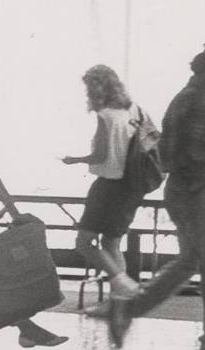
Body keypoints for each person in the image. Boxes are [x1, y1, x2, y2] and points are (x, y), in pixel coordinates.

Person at [102, 37, 205, 350]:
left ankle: (129, 309)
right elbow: (199, 153)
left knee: (191, 261)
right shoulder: (198, 101)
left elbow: (182, 146)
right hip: (197, 191)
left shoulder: (183, 98)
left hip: (181, 191)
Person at [60, 64, 146, 301]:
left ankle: (124, 284)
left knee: (84, 242)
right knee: (112, 244)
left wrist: (74, 159)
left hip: (108, 187)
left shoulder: (105, 116)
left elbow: (100, 156)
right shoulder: (134, 111)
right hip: (131, 186)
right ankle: (119, 302)